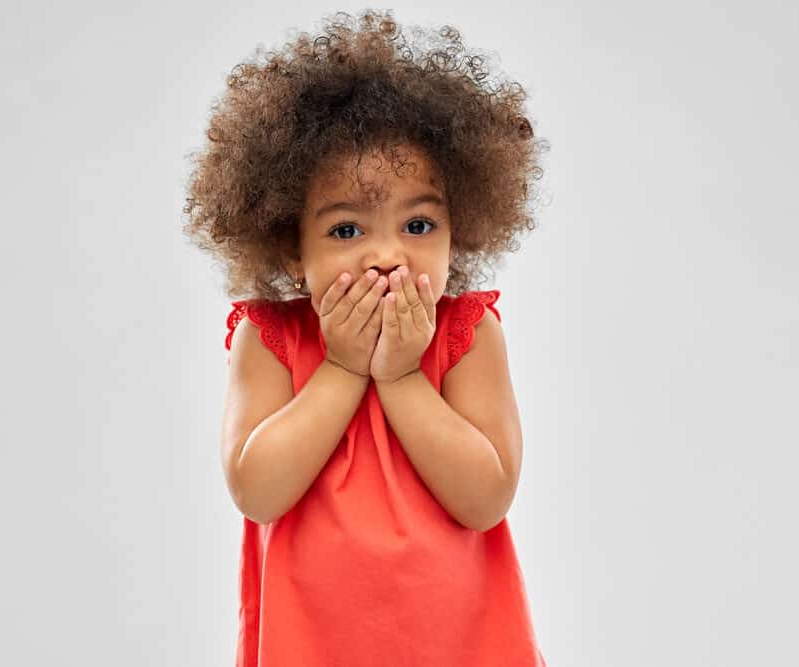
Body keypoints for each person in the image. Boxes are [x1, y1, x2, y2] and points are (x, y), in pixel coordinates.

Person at [183, 9, 551, 666]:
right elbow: (258, 489)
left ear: (456, 232)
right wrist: (344, 368)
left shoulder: (466, 334)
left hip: (459, 645)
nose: (386, 255)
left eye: (417, 226)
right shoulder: (269, 340)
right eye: (347, 230)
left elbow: (486, 497)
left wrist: (404, 377)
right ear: (292, 249)